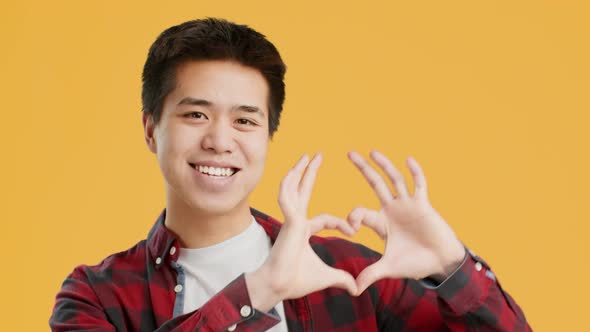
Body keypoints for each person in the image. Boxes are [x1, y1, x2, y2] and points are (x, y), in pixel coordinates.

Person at [49, 18, 531, 331]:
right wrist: (257, 292)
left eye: (244, 120)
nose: (220, 139)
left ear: (266, 137)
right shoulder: (96, 295)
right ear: (151, 129)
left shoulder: (350, 277)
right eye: (196, 115)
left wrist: (451, 265)